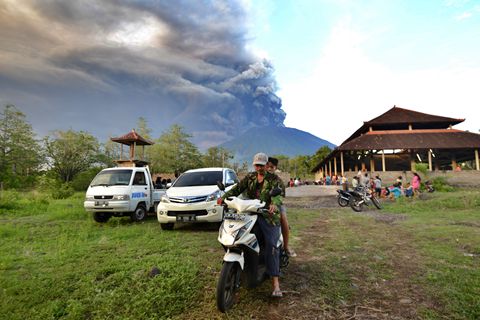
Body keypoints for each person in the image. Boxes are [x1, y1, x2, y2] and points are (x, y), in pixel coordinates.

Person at [217, 152, 284, 298]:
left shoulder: (274, 179)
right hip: (250, 212)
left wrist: (274, 204)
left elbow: (278, 195)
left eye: (262, 165)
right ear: (254, 164)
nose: (259, 167)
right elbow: (237, 188)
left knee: (271, 244)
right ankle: (242, 266)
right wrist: (223, 197)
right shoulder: (250, 177)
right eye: (257, 165)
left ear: (267, 165)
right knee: (236, 235)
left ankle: (275, 284)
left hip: (268, 216)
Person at [266, 157, 296, 258]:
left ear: (275, 168)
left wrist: (274, 202)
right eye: (268, 166)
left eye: (272, 167)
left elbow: (281, 195)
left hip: (277, 204)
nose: (269, 169)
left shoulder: (278, 180)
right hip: (260, 204)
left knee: (283, 218)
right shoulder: (259, 178)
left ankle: (286, 246)